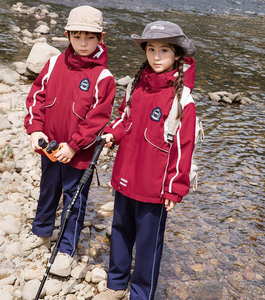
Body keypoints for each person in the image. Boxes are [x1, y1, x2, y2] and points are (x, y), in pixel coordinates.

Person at [94, 21, 197, 300]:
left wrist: (175, 189)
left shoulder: (182, 100)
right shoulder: (137, 85)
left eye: (164, 50)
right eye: (151, 49)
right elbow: (124, 117)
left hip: (154, 187)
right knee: (120, 229)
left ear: (177, 55)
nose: (156, 56)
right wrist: (112, 134)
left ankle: (142, 293)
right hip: (125, 176)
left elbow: (183, 148)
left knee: (149, 243)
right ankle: (116, 282)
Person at [22, 5, 116, 277]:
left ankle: (66, 248)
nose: (83, 43)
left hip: (79, 154)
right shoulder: (53, 64)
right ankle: (41, 232)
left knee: (74, 201)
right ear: (67, 35)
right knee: (47, 191)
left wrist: (74, 146)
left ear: (101, 38)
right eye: (77, 36)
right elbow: (36, 97)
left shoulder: (103, 77)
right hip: (49, 147)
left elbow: (97, 119)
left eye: (90, 37)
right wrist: (35, 129)